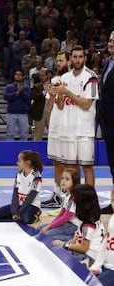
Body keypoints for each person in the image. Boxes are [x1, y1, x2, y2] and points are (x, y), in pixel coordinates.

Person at [54, 45, 99, 186]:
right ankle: (75, 201)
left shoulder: (91, 77)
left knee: (87, 167)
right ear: (70, 59)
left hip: (84, 130)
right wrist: (59, 94)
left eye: (80, 57)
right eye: (75, 57)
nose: (77, 60)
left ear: (85, 58)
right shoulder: (64, 77)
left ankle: (90, 202)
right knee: (71, 169)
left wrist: (66, 92)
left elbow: (86, 104)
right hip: (67, 130)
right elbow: (60, 106)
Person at [41, 51, 70, 208]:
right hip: (55, 126)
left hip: (69, 127)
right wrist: (51, 95)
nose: (57, 63)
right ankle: (57, 194)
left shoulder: (72, 80)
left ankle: (69, 195)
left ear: (68, 61)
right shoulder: (54, 80)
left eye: (61, 60)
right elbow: (47, 108)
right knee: (56, 162)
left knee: (69, 163)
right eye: (57, 61)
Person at [53, 184, 104, 267]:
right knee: (57, 251)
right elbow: (77, 237)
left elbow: (83, 248)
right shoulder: (89, 217)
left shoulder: (88, 225)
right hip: (86, 251)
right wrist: (65, 245)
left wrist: (64, 245)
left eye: (75, 201)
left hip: (89, 256)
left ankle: (85, 264)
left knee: (59, 261)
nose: (73, 203)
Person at [0, 150, 43, 224]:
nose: (17, 163)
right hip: (19, 204)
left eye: (19, 161)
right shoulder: (18, 174)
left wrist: (19, 211)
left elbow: (31, 197)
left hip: (31, 205)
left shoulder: (36, 177)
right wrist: (14, 211)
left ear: (27, 163)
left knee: (26, 219)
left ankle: (36, 214)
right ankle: (17, 215)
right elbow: (15, 194)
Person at [37, 168, 81, 241]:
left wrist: (49, 227)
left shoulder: (73, 198)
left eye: (67, 179)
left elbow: (65, 217)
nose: (63, 181)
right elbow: (61, 214)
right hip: (67, 223)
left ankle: (72, 238)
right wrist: (50, 225)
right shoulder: (67, 195)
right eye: (62, 178)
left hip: (74, 226)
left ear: (74, 182)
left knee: (46, 236)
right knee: (40, 228)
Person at [98, 31, 114, 214]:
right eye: (109, 40)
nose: (110, 44)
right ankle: (113, 203)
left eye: (113, 41)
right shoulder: (108, 62)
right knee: (113, 165)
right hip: (108, 123)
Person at [89, 213, 114, 286]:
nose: (113, 204)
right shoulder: (112, 218)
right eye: (112, 200)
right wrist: (97, 266)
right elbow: (104, 245)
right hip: (106, 266)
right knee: (84, 284)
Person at [4, 68, 31, 141]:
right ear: (14, 76)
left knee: (24, 135)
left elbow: (28, 98)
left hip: (23, 114)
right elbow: (6, 97)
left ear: (23, 76)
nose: (18, 76)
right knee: (10, 134)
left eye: (20, 75)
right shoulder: (9, 87)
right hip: (11, 113)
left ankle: (24, 151)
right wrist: (17, 92)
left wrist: (21, 91)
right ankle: (9, 150)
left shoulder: (26, 87)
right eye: (16, 74)